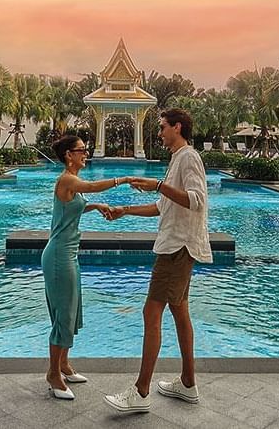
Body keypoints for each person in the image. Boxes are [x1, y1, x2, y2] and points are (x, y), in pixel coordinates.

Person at [103, 108, 212, 413]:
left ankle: (140, 392)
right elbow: (162, 206)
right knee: (180, 313)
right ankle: (188, 383)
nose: (160, 131)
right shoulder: (177, 159)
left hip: (176, 248)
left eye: (163, 127)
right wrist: (126, 211)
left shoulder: (189, 157)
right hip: (176, 246)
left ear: (177, 127)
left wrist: (158, 185)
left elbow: (196, 200)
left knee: (151, 313)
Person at [42, 135, 132, 400]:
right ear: (69, 155)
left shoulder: (72, 182)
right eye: (82, 150)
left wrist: (94, 207)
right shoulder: (68, 179)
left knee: (71, 310)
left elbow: (75, 205)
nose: (86, 154)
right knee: (63, 316)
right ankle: (53, 374)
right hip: (59, 256)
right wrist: (122, 180)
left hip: (68, 254)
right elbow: (92, 186)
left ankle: (64, 365)